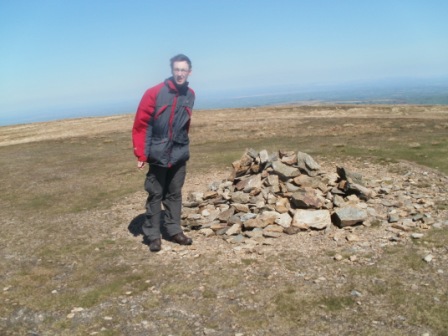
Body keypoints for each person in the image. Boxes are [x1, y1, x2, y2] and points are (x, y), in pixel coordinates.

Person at [132, 54, 195, 252]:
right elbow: (142, 124)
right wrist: (141, 154)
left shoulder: (190, 94)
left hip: (179, 152)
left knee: (174, 193)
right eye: (177, 69)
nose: (180, 74)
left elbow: (185, 124)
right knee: (155, 194)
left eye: (183, 70)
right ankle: (153, 235)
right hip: (158, 153)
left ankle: (174, 230)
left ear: (189, 72)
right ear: (172, 70)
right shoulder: (154, 93)